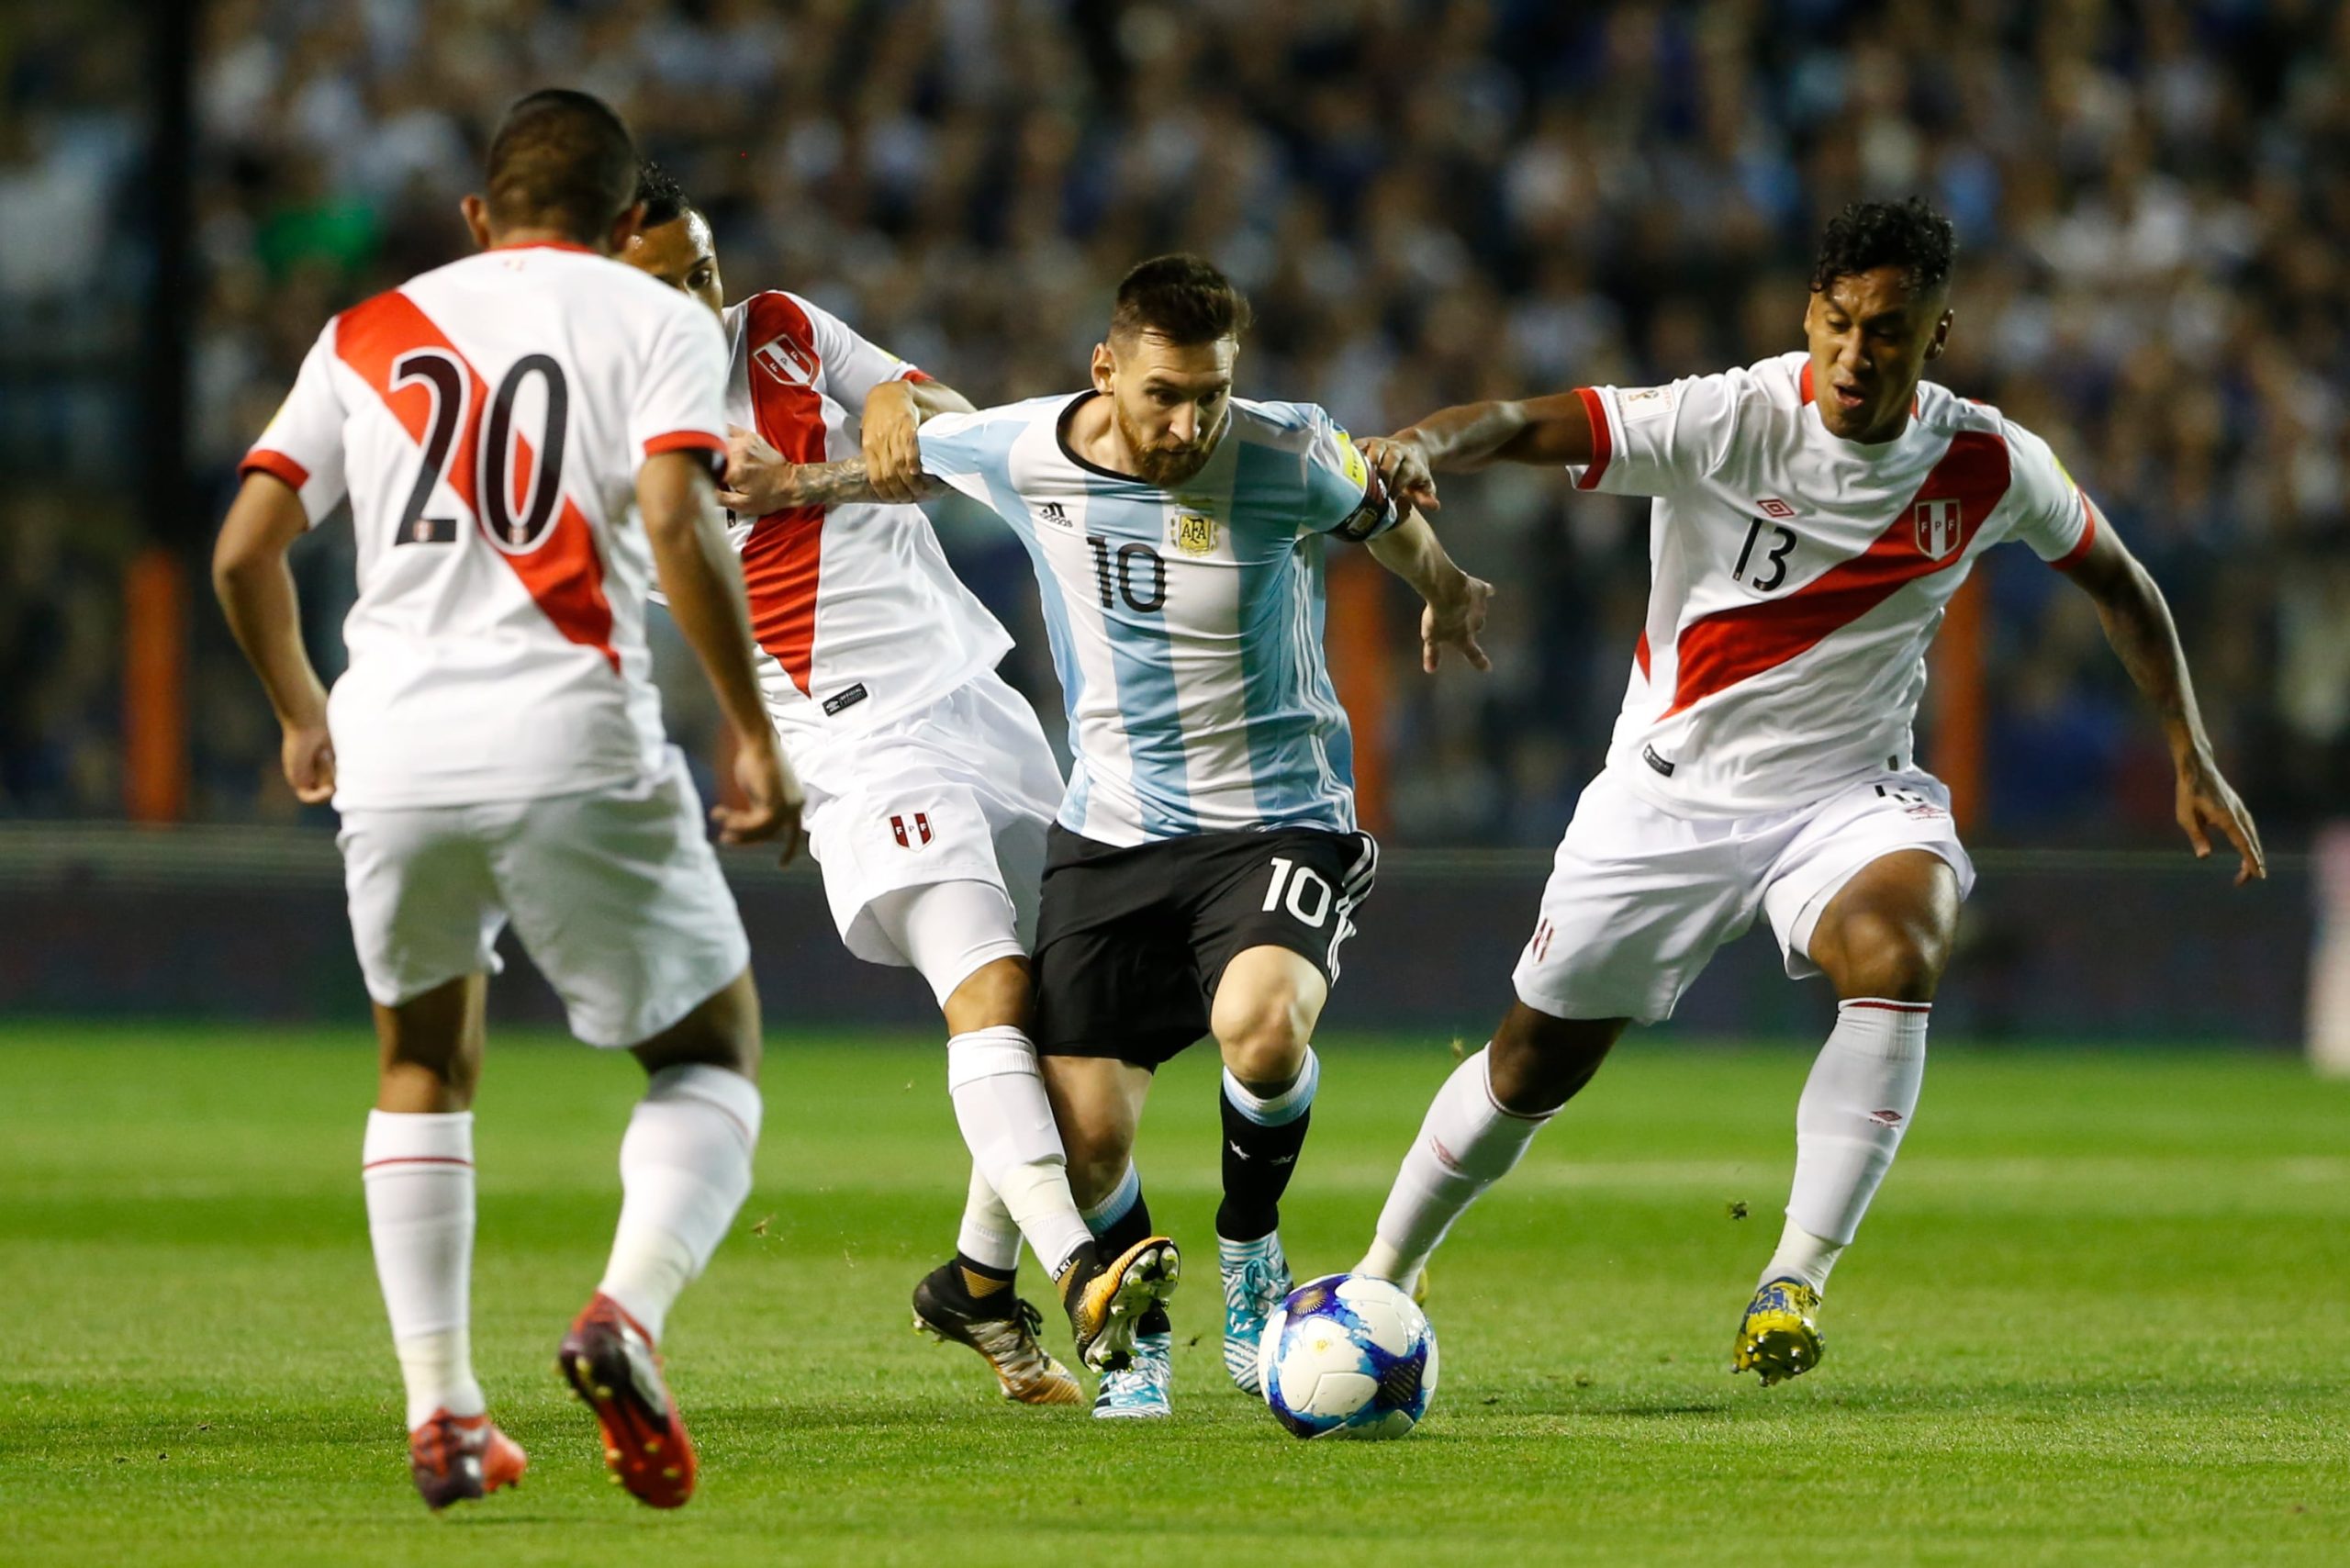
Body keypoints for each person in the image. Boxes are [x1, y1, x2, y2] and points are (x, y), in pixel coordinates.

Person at [1348, 197, 2266, 1383]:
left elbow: (2121, 581)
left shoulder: (1988, 462)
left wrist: (2190, 749)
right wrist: (1425, 441)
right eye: (1838, 323)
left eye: (1889, 330)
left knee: (1897, 946)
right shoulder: (1728, 417)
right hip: (1666, 801)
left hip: (1850, 797)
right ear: (1809, 316)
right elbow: (1528, 421)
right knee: (1532, 1066)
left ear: (1937, 335)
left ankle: (1793, 1280)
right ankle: (1383, 1272)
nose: (1856, 354)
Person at [772, 254, 1492, 1417]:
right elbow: (893, 469)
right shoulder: (1024, 448)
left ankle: (1250, 1248)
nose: (1189, 421)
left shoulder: (1286, 451)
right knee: (1089, 1138)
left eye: (1210, 393)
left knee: (1259, 1031)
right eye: (1164, 394)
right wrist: (797, 479)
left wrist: (1446, 589)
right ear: (1106, 371)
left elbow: (1384, 517)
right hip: (1110, 832)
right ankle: (1137, 1327)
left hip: (1277, 818)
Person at [213, 90, 800, 1509]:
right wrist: (750, 733)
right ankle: (624, 1314)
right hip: (566, 729)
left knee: (422, 1060)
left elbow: (246, 552)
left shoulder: (365, 331)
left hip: (392, 747)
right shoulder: (648, 319)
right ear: (617, 229)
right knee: (708, 1051)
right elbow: (672, 522)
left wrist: (303, 711)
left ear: (478, 214)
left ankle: (445, 1415)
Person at [619, 162, 1169, 1404]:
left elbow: (958, 425)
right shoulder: (622, 446)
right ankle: (1086, 1268)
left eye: (700, 269)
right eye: (659, 288)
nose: (697, 302)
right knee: (991, 985)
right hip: (859, 739)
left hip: (981, 701)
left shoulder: (784, 329)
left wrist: (900, 410)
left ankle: (977, 1281)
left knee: (1072, 1004)